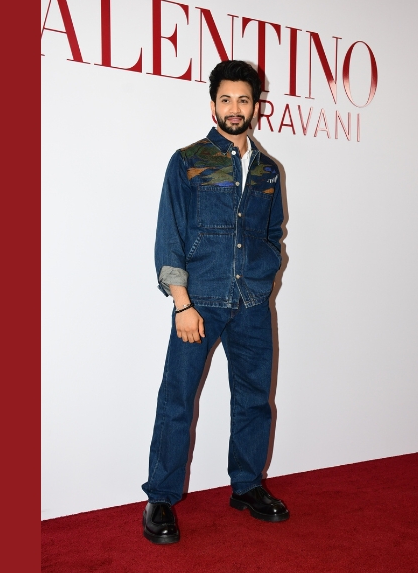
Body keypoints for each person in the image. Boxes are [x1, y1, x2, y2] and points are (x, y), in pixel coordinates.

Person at [141, 60, 289, 544]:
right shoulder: (188, 160)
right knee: (177, 400)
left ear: (256, 106)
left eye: (243, 99)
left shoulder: (268, 170)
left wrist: (265, 277)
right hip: (199, 303)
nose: (234, 108)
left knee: (254, 400)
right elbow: (170, 235)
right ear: (213, 105)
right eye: (226, 99)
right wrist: (182, 304)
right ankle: (160, 498)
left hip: (252, 303)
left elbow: (272, 234)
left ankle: (247, 486)